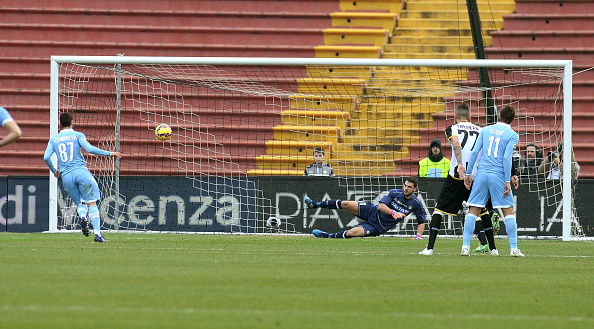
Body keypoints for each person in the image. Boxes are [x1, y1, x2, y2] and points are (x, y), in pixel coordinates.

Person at [419, 102, 501, 256]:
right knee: (481, 212)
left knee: (439, 210)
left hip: (457, 176)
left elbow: (456, 142)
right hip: (476, 177)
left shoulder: (452, 128)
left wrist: (461, 164)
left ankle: (429, 248)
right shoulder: (481, 130)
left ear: (455, 117)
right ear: (470, 117)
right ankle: (493, 249)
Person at [43, 113, 122, 242]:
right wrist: (109, 153)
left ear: (60, 124)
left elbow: (46, 157)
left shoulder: (54, 139)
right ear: (72, 122)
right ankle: (97, 234)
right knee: (91, 203)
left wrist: (54, 171)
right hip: (81, 172)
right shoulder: (78, 135)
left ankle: (83, 217)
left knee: (80, 203)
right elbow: (89, 148)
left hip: (66, 177)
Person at [462, 105, 524, 257]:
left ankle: (465, 247)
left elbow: (475, 151)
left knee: (473, 211)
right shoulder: (512, 134)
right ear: (513, 119)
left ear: (499, 116)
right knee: (508, 211)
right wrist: (507, 179)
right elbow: (506, 157)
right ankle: (514, 249)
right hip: (498, 175)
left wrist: (469, 173)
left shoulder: (485, 130)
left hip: (482, 174)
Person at [305, 176, 426, 239]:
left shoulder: (416, 203)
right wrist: (393, 213)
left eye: (409, 187)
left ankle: (326, 235)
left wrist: (418, 235)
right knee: (346, 204)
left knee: (352, 232)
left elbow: (421, 221)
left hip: (378, 227)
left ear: (415, 189)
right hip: (371, 211)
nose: (406, 188)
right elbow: (381, 206)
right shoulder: (395, 192)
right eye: (405, 185)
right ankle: (314, 204)